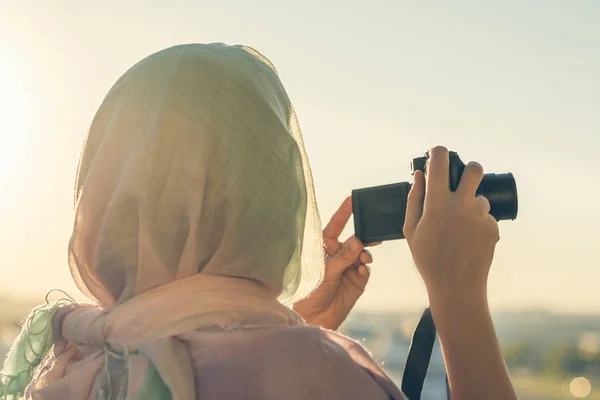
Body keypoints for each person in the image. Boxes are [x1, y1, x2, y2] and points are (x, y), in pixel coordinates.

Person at [0, 43, 516, 400]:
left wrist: (281, 330)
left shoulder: (78, 358)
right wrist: (457, 294)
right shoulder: (317, 379)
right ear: (275, 201)